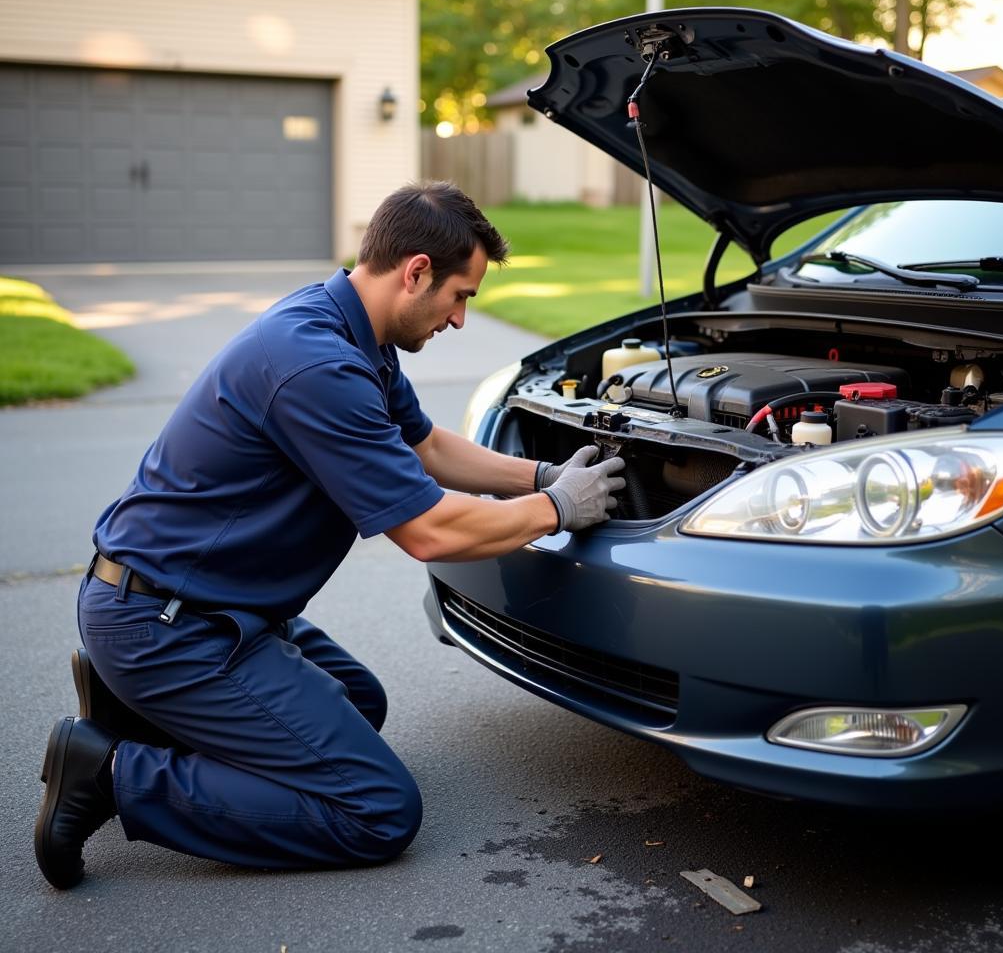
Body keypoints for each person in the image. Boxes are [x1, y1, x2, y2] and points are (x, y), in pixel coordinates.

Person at [33, 180, 625, 889]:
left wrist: (540, 474)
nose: (461, 319)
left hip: (214, 609)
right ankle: (110, 771)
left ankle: (137, 715)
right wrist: (559, 509)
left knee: (360, 703)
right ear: (415, 272)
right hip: (167, 623)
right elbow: (431, 531)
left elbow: (429, 448)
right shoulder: (316, 365)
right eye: (461, 295)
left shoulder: (349, 332)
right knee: (376, 809)